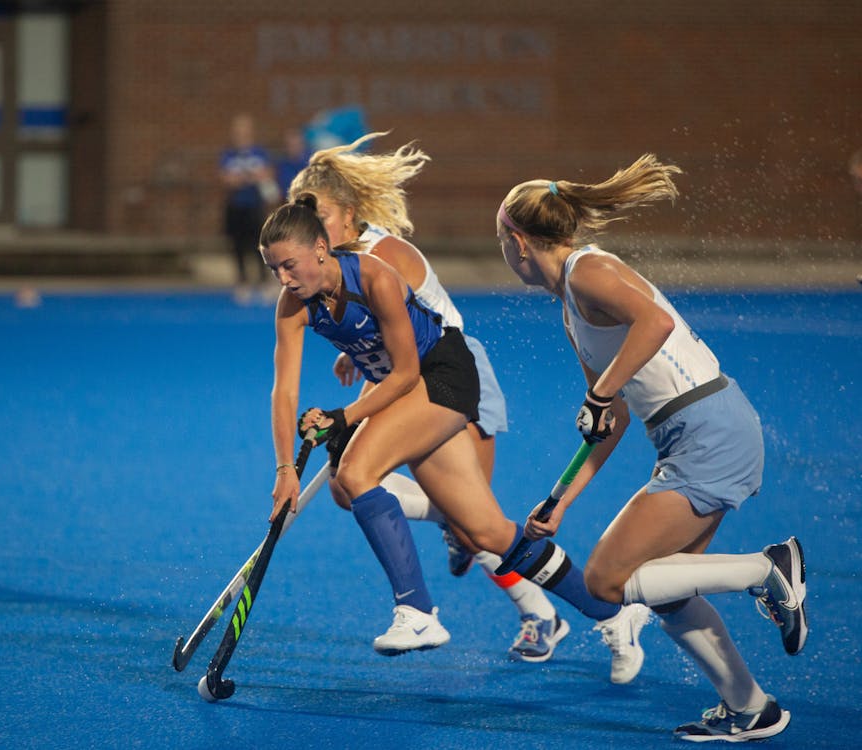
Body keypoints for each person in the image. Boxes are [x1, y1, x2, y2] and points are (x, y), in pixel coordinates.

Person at [260, 195, 650, 684]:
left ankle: (417, 613)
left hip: (442, 375)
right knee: (482, 532)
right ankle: (612, 613)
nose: (283, 278)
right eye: (273, 268)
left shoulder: (375, 276)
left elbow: (403, 374)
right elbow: (284, 390)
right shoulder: (293, 304)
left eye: (289, 265)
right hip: (406, 391)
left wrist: (346, 418)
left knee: (355, 472)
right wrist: (284, 470)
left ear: (321, 249)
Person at [495, 155, 808, 741]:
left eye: (502, 243)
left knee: (607, 581)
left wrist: (601, 388)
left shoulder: (588, 270)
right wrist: (560, 499)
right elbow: (606, 420)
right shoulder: (571, 305)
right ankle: (750, 707)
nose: (504, 257)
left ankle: (769, 569)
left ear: (518, 241)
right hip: (695, 434)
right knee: (670, 589)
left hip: (708, 431)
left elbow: (655, 324)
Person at [219, 113, 276, 304]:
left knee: (259, 245)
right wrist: (248, 177)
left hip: (255, 205)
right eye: (238, 130)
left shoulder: (259, 153)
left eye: (244, 130)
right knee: (237, 245)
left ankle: (263, 281)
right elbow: (227, 179)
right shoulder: (229, 154)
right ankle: (242, 282)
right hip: (236, 206)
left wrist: (246, 178)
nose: (241, 133)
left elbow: (267, 174)